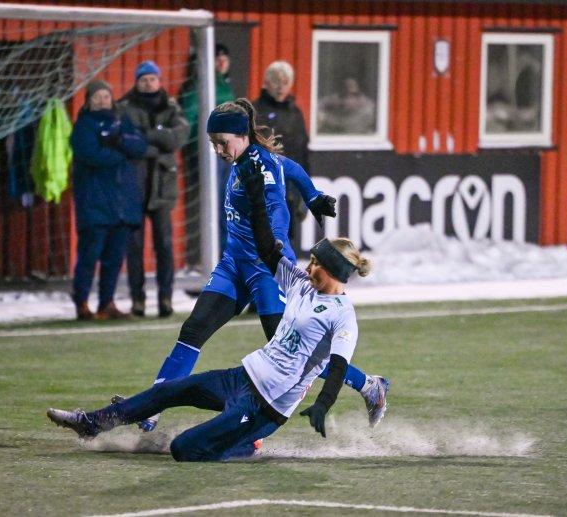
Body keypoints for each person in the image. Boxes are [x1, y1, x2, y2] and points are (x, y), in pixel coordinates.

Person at [47, 158, 374, 462]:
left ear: (333, 272)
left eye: (316, 263)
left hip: (264, 407)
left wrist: (323, 403)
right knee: (167, 392)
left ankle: (245, 443)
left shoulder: (342, 315)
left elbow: (337, 365)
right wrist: (257, 199)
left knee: (182, 449)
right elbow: (265, 247)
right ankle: (93, 423)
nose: (309, 265)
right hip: (240, 378)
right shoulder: (301, 283)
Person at [128, 99, 388, 432]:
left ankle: (369, 386)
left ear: (241, 136)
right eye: (213, 143)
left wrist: (281, 233)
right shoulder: (247, 159)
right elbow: (289, 167)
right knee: (193, 330)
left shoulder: (259, 168)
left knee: (291, 350)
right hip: (233, 266)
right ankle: (151, 409)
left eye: (223, 142)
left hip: (266, 272)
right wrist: (311, 195)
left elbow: (273, 196)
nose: (219, 149)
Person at [70, 80, 147, 321]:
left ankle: (107, 303)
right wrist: (122, 153)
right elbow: (91, 154)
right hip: (95, 204)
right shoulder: (83, 125)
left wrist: (120, 142)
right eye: (97, 96)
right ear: (89, 100)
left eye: (106, 95)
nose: (102, 100)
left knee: (114, 259)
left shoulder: (121, 121)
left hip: (122, 206)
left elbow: (140, 145)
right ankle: (82, 302)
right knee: (89, 256)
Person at [117, 61, 189, 318]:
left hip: (162, 186)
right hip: (133, 187)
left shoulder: (171, 106)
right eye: (144, 79)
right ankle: (137, 299)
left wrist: (146, 136)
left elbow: (178, 137)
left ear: (159, 81)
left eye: (152, 79)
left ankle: (165, 298)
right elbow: (125, 141)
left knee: (164, 246)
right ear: (137, 81)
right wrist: (158, 141)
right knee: (134, 247)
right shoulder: (124, 107)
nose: (148, 83)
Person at [179, 43, 236, 269]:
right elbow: (190, 118)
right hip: (206, 157)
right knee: (208, 213)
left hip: (227, 157)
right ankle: (203, 263)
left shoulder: (225, 86)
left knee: (226, 210)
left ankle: (223, 260)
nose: (221, 61)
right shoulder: (197, 85)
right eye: (216, 57)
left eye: (225, 56)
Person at [253, 61, 311, 240]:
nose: (280, 87)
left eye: (285, 82)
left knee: (284, 243)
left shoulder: (295, 113)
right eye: (276, 81)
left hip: (289, 190)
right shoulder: (255, 110)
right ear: (266, 83)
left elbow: (302, 153)